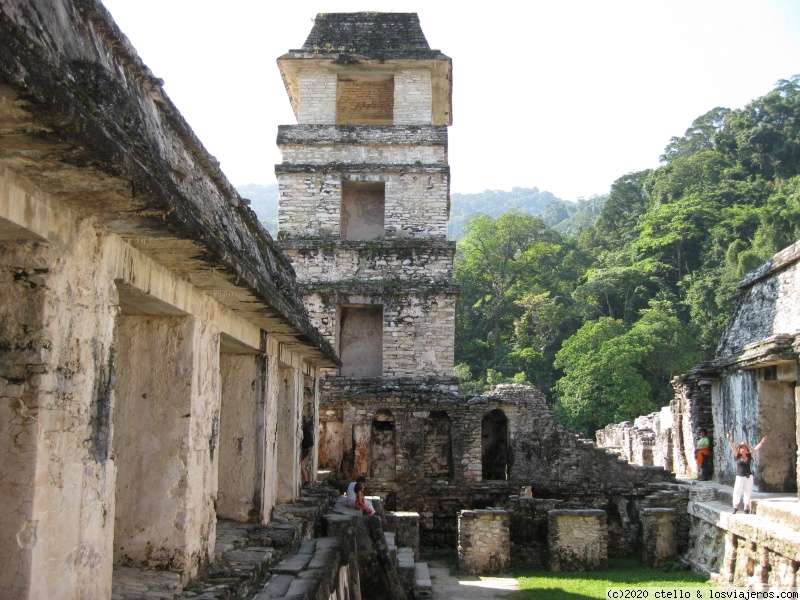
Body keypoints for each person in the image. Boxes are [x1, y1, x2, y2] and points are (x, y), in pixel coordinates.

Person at [726, 430, 768, 514]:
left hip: (748, 476)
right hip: (740, 476)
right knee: (737, 491)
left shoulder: (749, 456)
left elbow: (756, 449)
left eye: (745, 448)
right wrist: (729, 438)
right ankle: (735, 506)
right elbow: (732, 446)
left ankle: (746, 507)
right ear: (739, 450)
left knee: (748, 491)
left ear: (747, 450)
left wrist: (762, 442)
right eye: (742, 448)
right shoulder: (737, 456)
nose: (743, 450)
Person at [300, 419, 314, 486]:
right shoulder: (307, 432)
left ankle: (306, 481)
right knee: (305, 467)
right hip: (307, 449)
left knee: (302, 467)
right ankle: (308, 481)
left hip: (304, 450)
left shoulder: (303, 432)